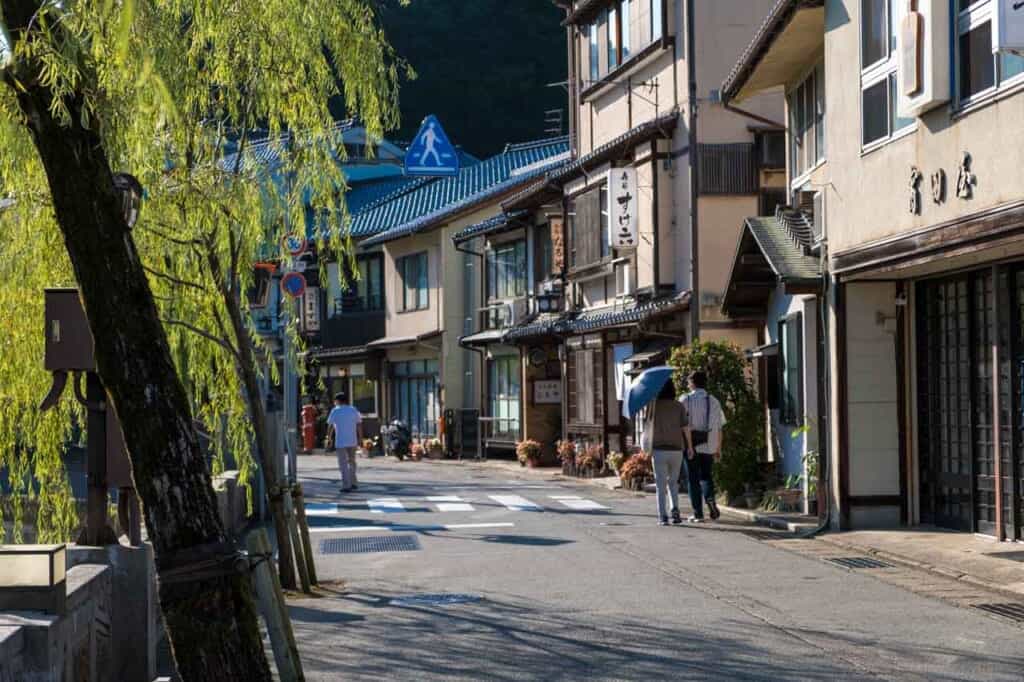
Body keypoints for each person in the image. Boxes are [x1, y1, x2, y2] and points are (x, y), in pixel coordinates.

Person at [681, 370, 726, 523]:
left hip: (691, 444)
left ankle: (698, 513)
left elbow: (683, 425)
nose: (688, 385)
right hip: (709, 444)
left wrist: (689, 446)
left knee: (693, 479)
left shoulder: (685, 400)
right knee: (706, 476)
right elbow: (719, 427)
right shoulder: (713, 401)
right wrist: (718, 448)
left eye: (688, 382)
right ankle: (710, 498)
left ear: (692, 383)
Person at [641, 382, 687, 526]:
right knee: (673, 482)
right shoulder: (679, 406)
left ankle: (663, 517)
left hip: (659, 450)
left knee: (660, 485)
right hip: (677, 449)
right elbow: (685, 427)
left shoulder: (653, 407)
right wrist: (690, 447)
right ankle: (675, 510)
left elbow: (646, 426)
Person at [326, 393, 362, 492]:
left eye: (335, 401)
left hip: (340, 441)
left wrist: (329, 438)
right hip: (352, 440)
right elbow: (359, 424)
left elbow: (330, 425)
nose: (334, 402)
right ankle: (353, 482)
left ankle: (346, 485)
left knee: (343, 464)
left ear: (338, 401)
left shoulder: (335, 411)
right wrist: (360, 438)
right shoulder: (353, 409)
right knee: (352, 462)